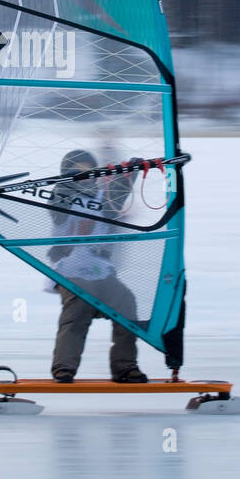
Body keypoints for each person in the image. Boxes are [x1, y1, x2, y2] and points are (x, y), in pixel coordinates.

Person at [47, 149, 148, 384]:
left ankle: (125, 367)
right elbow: (58, 212)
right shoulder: (60, 194)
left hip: (100, 271)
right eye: (77, 171)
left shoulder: (104, 197)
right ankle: (64, 368)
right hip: (70, 272)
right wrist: (72, 182)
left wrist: (129, 174)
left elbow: (117, 196)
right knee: (77, 312)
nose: (84, 175)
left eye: (88, 170)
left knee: (126, 302)